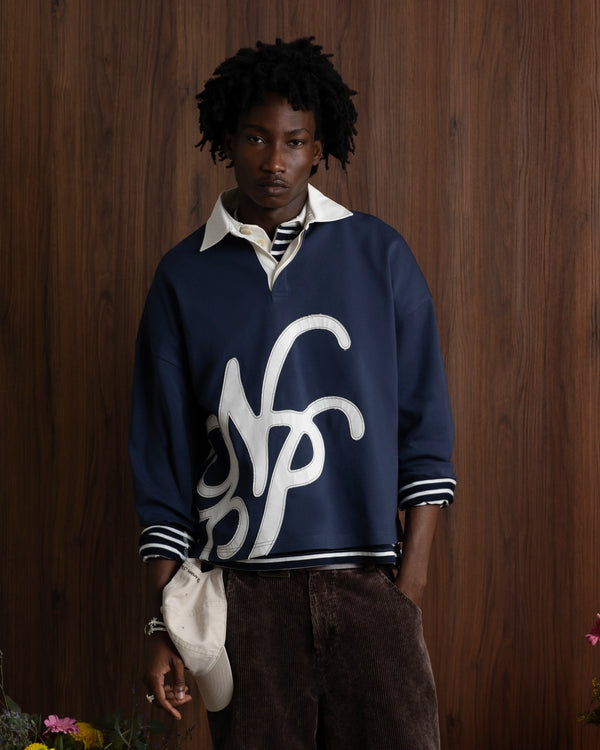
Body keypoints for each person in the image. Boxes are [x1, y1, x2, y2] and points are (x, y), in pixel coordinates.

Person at [130, 37, 456, 750]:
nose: (274, 161)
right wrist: (163, 625)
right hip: (243, 601)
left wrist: (408, 595)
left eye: (295, 141)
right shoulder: (183, 277)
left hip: (369, 588)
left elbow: (426, 436)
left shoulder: (381, 256)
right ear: (226, 139)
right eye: (256, 137)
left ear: (320, 146)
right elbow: (162, 470)